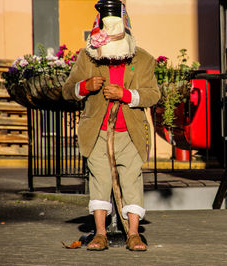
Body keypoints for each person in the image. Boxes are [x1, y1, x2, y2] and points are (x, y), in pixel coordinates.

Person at [62, 0, 160, 251]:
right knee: (100, 182)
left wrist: (126, 95)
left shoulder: (144, 59)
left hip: (130, 132)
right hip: (97, 132)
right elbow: (66, 91)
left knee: (131, 181)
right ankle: (101, 234)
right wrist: (85, 87)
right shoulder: (88, 57)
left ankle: (133, 234)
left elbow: (153, 95)